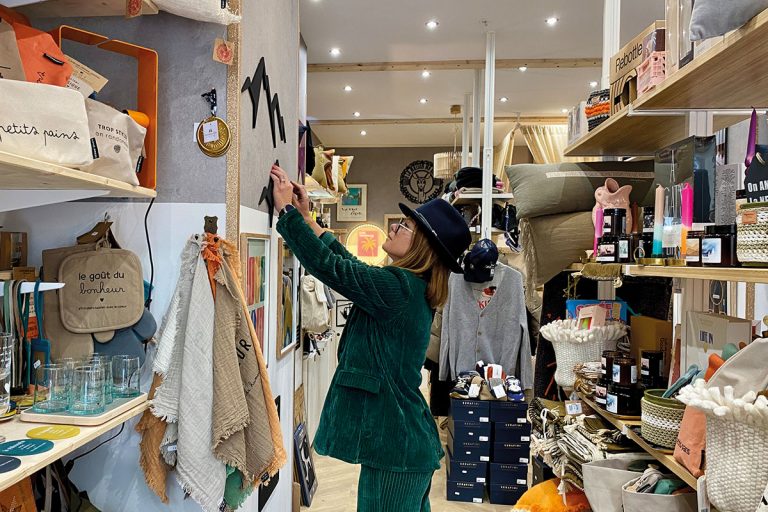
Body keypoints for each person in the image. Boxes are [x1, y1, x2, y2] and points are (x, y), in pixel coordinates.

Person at [270, 165, 471, 512]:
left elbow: (333, 268)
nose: (395, 226)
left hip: (397, 448)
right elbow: (349, 264)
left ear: (423, 245)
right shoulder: (407, 287)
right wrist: (306, 219)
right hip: (402, 445)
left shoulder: (399, 288)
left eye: (405, 226)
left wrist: (287, 213)